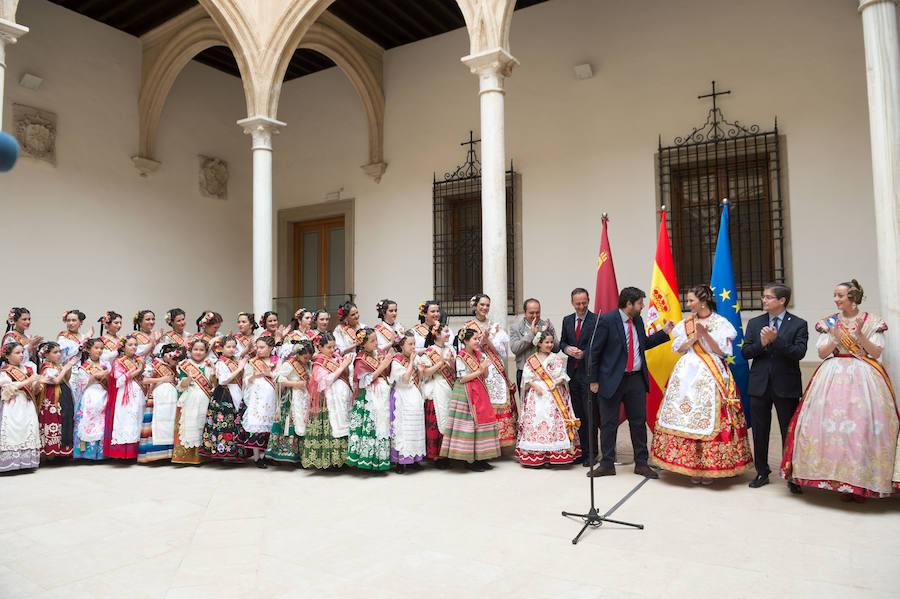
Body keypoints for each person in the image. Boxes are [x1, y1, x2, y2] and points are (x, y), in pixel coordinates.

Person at [782, 280, 898, 501]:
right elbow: (822, 353)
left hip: (864, 378)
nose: (836, 300)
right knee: (834, 432)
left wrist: (862, 336)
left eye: (840, 296)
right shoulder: (830, 322)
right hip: (832, 376)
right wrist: (834, 338)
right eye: (835, 295)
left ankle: (861, 483)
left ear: (853, 298)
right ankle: (841, 482)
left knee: (860, 430)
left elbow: (875, 353)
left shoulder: (872, 322)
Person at [650, 285, 753, 483]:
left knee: (710, 415)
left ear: (703, 301)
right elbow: (678, 349)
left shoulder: (720, 323)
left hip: (711, 372)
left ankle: (709, 466)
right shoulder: (686, 323)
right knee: (685, 415)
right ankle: (690, 465)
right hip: (687, 372)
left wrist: (705, 335)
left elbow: (722, 352)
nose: (688, 304)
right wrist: (694, 338)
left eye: (691, 301)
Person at [587, 287, 674, 479]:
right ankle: (607, 463)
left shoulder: (638, 320)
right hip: (611, 380)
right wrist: (593, 380)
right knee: (609, 423)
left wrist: (664, 332)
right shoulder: (607, 320)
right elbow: (594, 352)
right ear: (629, 304)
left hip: (635, 379)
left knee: (638, 422)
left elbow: (643, 343)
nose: (643, 306)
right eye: (640, 303)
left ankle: (641, 463)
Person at [741, 283, 808, 491]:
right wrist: (761, 344)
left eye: (768, 297)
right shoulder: (754, 323)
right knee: (760, 431)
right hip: (759, 385)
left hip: (786, 385)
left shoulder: (798, 324)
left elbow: (799, 353)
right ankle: (762, 471)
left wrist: (776, 341)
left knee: (788, 431)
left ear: (782, 301)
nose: (764, 300)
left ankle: (791, 475)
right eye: (764, 297)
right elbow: (745, 353)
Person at [516, 331, 582, 467]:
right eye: (547, 342)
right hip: (537, 396)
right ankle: (538, 456)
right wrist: (536, 386)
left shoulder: (556, 359)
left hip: (554, 395)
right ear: (539, 343)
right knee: (537, 422)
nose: (550, 345)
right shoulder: (531, 360)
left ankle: (552, 455)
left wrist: (556, 383)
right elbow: (527, 378)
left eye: (552, 342)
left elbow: (563, 375)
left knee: (553, 423)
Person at [439, 328, 501, 471]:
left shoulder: (479, 355)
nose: (478, 341)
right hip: (465, 394)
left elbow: (484, 376)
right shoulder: (461, 357)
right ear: (466, 341)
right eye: (474, 339)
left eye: (479, 339)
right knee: (469, 425)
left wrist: (484, 368)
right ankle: (470, 460)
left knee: (482, 424)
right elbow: (462, 378)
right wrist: (479, 370)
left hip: (480, 391)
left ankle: (481, 457)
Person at [465, 293, 518, 447]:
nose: (485, 308)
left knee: (499, 400)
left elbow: (500, 352)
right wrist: (478, 343)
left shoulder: (495, 327)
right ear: (475, 306)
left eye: (487, 305)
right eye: (482, 305)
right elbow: (465, 351)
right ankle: (483, 443)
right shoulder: (468, 326)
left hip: (495, 369)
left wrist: (487, 340)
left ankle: (499, 441)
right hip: (477, 368)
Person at [558, 288, 599, 466]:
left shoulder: (596, 320)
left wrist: (585, 353)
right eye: (578, 304)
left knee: (590, 415)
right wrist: (567, 349)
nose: (581, 307)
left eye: (584, 303)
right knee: (578, 416)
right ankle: (581, 451)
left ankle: (592, 453)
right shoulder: (567, 320)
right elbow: (563, 342)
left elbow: (598, 345)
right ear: (572, 303)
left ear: (588, 301)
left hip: (588, 374)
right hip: (572, 375)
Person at [302, 332, 352, 469]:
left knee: (340, 427)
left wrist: (345, 365)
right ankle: (328, 462)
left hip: (339, 399)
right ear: (320, 347)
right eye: (329, 347)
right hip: (326, 401)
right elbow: (324, 382)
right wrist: (342, 367)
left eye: (333, 347)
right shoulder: (318, 362)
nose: (332, 350)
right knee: (329, 429)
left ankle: (340, 460)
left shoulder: (336, 357)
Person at [346, 328, 393, 472]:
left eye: (376, 339)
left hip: (382, 394)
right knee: (370, 426)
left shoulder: (379, 353)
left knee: (382, 424)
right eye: (372, 341)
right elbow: (364, 381)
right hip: (369, 397)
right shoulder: (360, 359)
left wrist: (388, 362)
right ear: (362, 344)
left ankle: (381, 460)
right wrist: (383, 365)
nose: (376, 343)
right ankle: (367, 461)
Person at [266, 338, 313, 465]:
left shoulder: (307, 364)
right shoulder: (289, 364)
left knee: (303, 424)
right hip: (291, 399)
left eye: (309, 358)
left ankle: (300, 456)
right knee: (290, 425)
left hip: (304, 397)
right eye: (305, 358)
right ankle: (285, 454)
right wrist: (296, 384)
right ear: (298, 354)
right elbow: (278, 378)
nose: (307, 360)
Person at [200, 337, 247, 461]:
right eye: (228, 347)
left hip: (237, 391)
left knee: (235, 422)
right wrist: (239, 368)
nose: (231, 349)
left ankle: (237, 453)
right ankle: (224, 453)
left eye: (233, 347)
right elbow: (223, 380)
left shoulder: (236, 361)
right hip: (225, 394)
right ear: (221, 348)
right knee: (225, 423)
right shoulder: (221, 362)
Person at [0, 341, 44, 472]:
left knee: (28, 429)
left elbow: (35, 390)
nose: (21, 355)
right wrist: (29, 380)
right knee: (12, 431)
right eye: (17, 353)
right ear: (7, 356)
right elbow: (7, 389)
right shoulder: (5, 372)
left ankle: (26, 463)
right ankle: (10, 463)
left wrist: (37, 383)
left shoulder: (28, 370)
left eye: (22, 352)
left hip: (27, 403)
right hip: (13, 404)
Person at [236, 336, 280, 468]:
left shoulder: (277, 361)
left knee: (270, 424)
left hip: (271, 397)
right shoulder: (253, 361)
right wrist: (255, 376)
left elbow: (280, 376)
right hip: (256, 398)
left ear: (271, 348)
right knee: (257, 424)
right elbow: (246, 379)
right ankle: (256, 457)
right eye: (257, 347)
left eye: (262, 347)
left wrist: (270, 374)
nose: (259, 350)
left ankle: (266, 455)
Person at [417, 321, 455, 466]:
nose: (448, 334)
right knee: (438, 419)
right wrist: (439, 364)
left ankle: (448, 453)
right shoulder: (429, 352)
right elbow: (424, 373)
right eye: (445, 331)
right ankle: (437, 455)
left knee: (449, 419)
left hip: (449, 388)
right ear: (437, 334)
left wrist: (451, 363)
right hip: (437, 388)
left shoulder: (451, 350)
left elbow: (455, 372)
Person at [172, 338, 214, 465]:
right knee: (189, 425)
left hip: (204, 399)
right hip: (189, 398)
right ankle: (185, 457)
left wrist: (213, 375)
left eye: (202, 350)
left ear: (206, 351)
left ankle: (203, 456)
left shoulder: (209, 364)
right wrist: (189, 378)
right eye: (196, 349)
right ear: (190, 350)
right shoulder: (185, 364)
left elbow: (213, 383)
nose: (198, 352)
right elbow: (182, 384)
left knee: (201, 424)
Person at [389, 331, 426, 472]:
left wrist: (421, 370)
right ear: (401, 345)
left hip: (415, 396)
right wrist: (411, 362)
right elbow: (404, 379)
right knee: (403, 429)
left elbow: (420, 377)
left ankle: (415, 458)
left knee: (415, 429)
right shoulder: (396, 360)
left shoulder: (414, 358)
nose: (413, 347)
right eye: (410, 344)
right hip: (402, 397)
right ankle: (400, 462)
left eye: (414, 344)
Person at [103, 335, 146, 460]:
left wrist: (142, 369)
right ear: (123, 347)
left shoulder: (139, 359)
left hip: (138, 393)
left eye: (135, 345)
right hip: (124, 394)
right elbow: (119, 380)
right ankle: (123, 453)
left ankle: (136, 452)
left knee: (138, 418)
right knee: (125, 419)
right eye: (130, 345)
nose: (133, 347)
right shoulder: (119, 361)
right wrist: (138, 370)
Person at [138, 343, 182, 463]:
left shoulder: (173, 367)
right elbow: (144, 380)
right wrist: (162, 380)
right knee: (157, 426)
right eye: (175, 358)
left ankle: (169, 454)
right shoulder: (153, 364)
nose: (176, 361)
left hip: (171, 400)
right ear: (167, 356)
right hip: (157, 399)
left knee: (170, 425)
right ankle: (155, 454)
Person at [35, 342, 78, 459]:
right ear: (46, 355)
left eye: (59, 352)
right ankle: (51, 453)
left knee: (64, 419)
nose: (58, 354)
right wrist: (66, 367)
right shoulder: (47, 366)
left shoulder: (58, 365)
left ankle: (63, 450)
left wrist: (67, 368)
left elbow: (66, 379)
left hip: (63, 393)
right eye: (55, 352)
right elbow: (56, 381)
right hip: (52, 396)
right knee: (54, 419)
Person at [71, 338, 110, 460]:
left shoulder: (106, 364)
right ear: (88, 350)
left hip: (104, 395)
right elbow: (81, 385)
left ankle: (102, 453)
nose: (99, 351)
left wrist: (107, 376)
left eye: (101, 348)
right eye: (96, 348)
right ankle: (87, 452)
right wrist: (93, 377)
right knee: (89, 422)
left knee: (103, 423)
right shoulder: (84, 367)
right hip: (90, 397)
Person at [509, 298, 558, 390]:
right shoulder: (515, 328)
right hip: (525, 371)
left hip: (545, 372)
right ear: (525, 312)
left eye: (537, 312)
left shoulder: (548, 325)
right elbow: (515, 349)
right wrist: (532, 335)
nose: (535, 315)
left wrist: (547, 332)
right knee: (525, 403)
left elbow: (557, 348)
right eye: (531, 313)